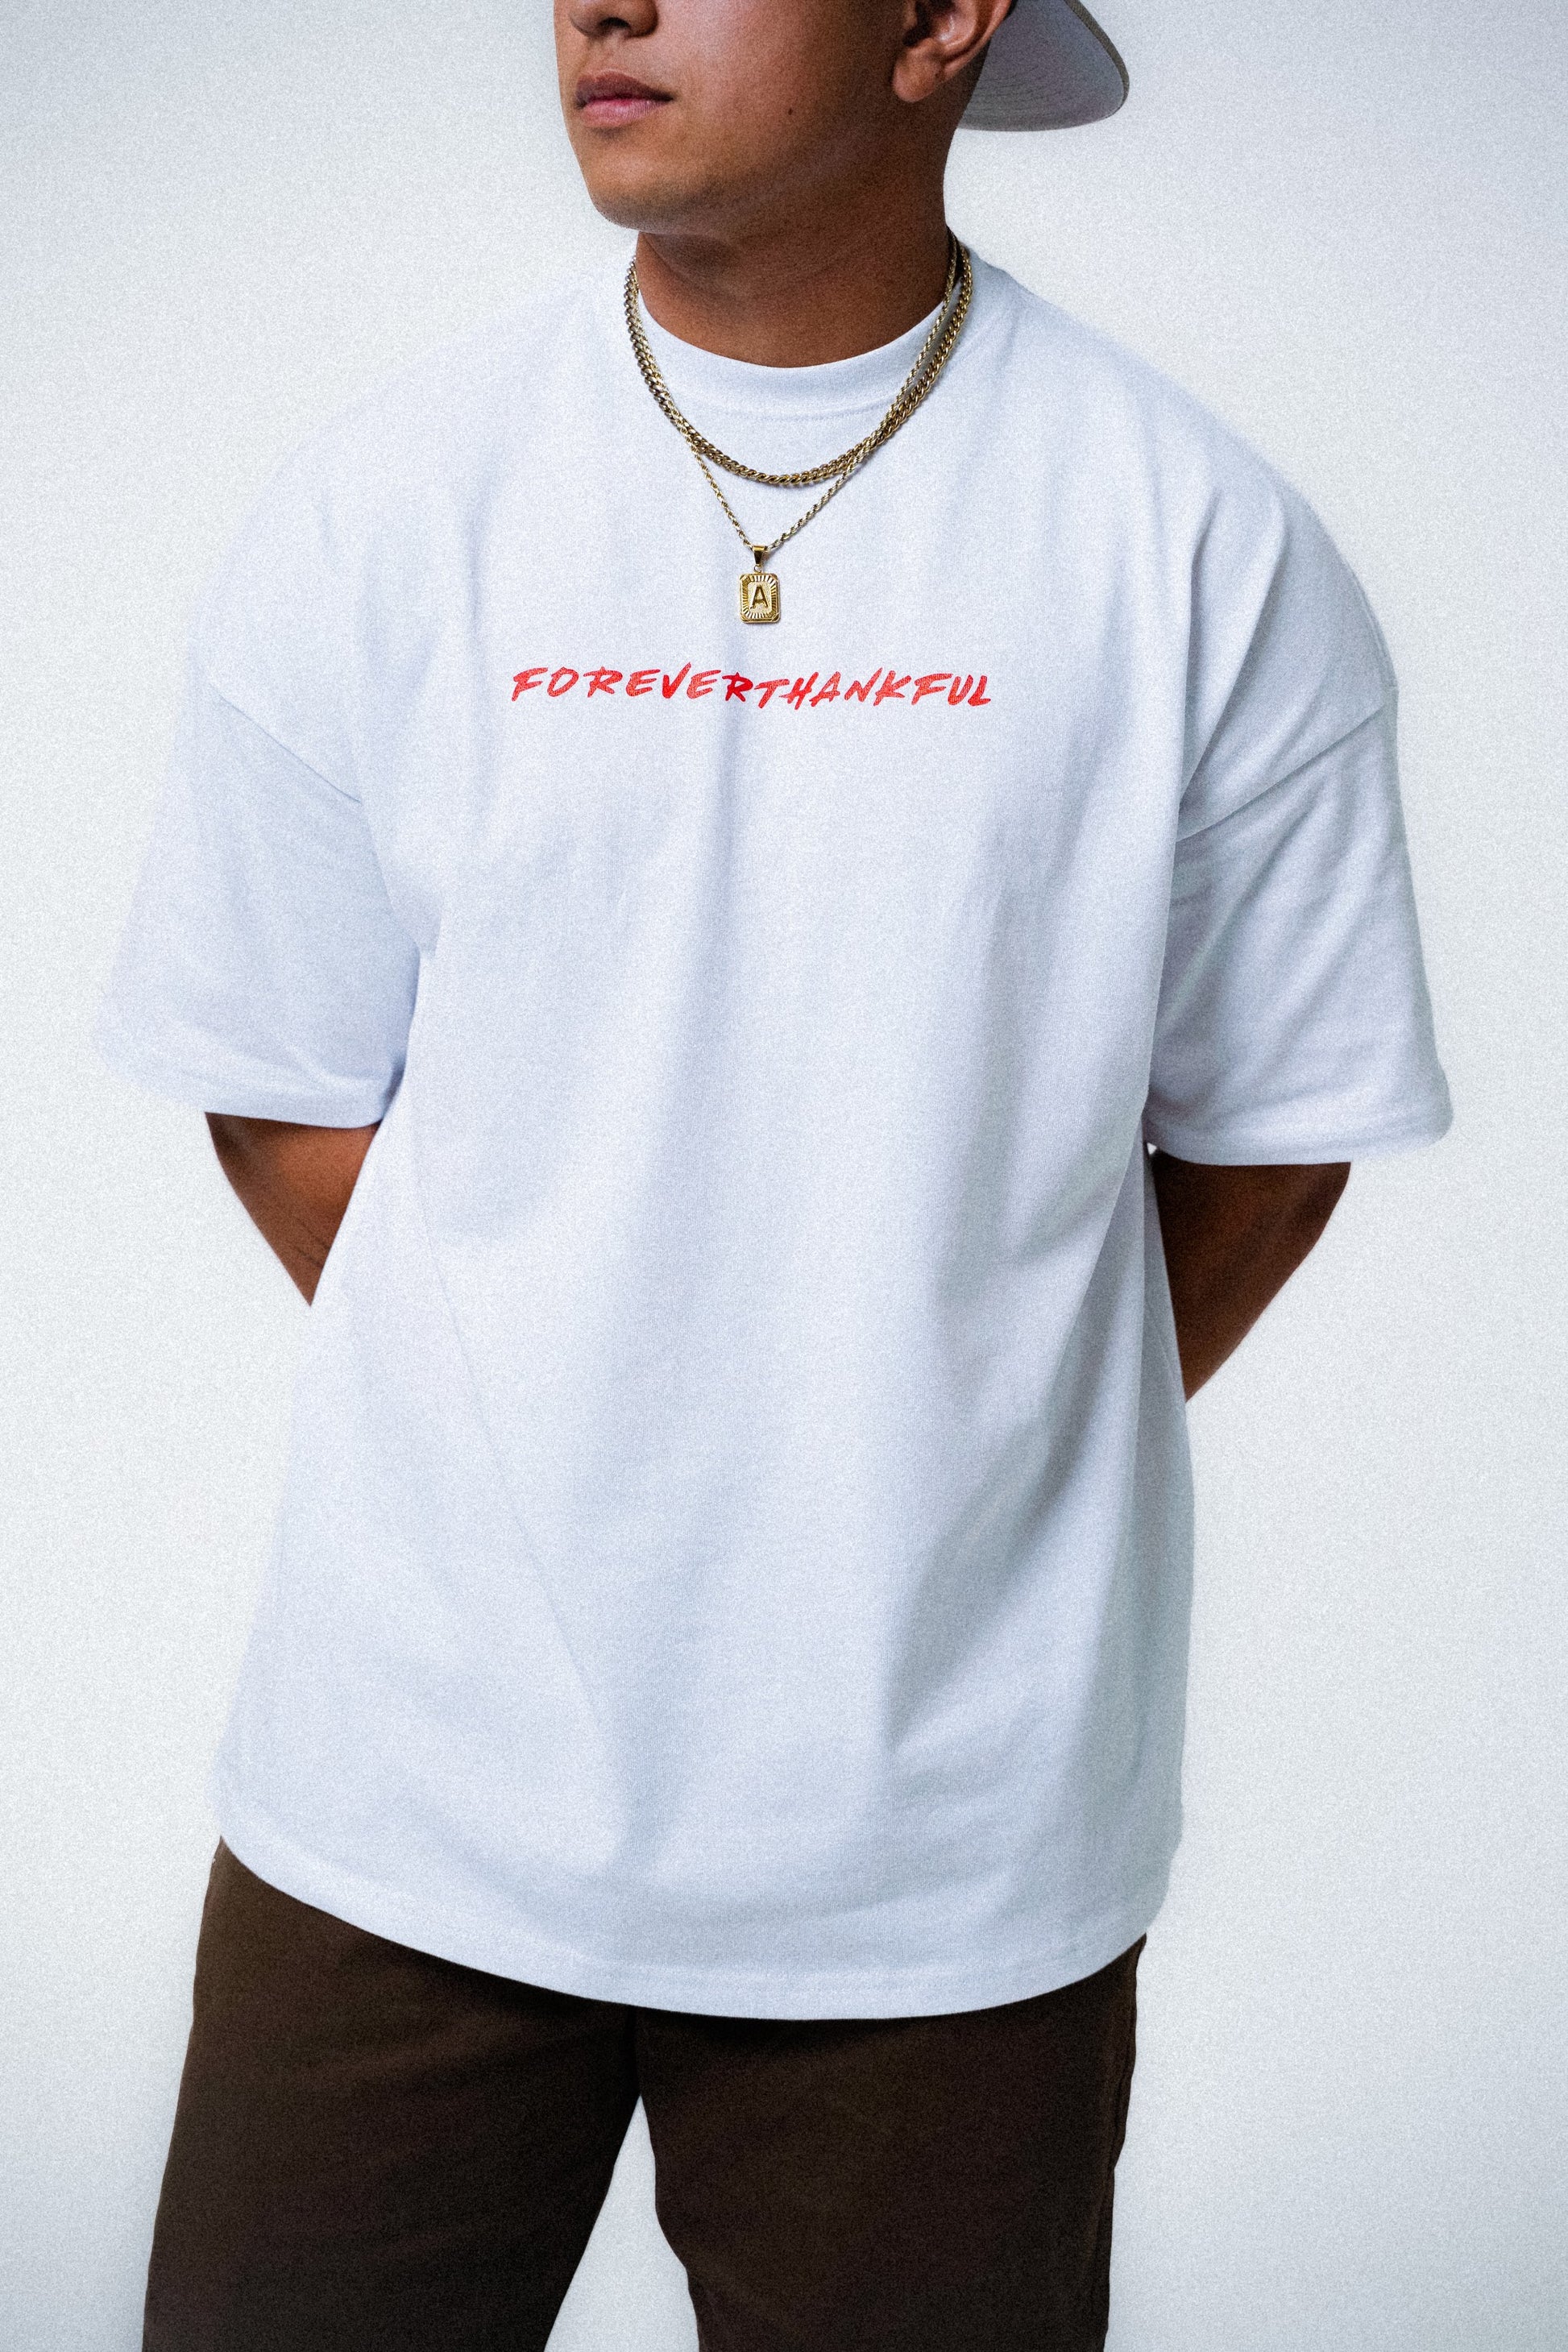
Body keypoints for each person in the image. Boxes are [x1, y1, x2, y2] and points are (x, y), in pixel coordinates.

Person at [97, 2, 1452, 2346]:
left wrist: (943, 1435)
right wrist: (557, 1385)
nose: (601, 5)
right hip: (408, 1809)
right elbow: (280, 1079)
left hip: (943, 1863)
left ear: (943, 19)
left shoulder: (1190, 538)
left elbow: (1269, 1131)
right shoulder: (390, 504)